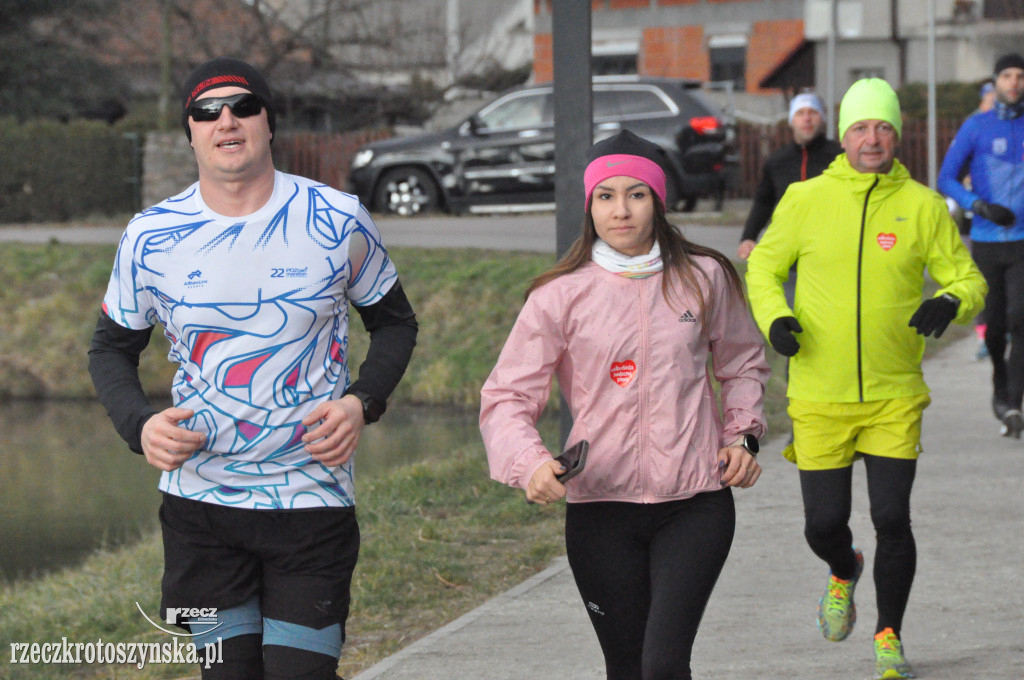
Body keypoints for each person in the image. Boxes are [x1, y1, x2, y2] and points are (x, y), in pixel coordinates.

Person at [88, 57, 418, 680]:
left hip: (310, 502)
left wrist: (361, 401)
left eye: (243, 106)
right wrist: (139, 426)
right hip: (199, 513)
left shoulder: (338, 219)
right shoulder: (150, 236)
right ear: (190, 131)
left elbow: (396, 323)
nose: (226, 121)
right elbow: (109, 349)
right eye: (207, 111)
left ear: (269, 122)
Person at [480, 129, 770, 680]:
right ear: (589, 205)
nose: (621, 209)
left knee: (662, 664)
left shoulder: (704, 277)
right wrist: (530, 463)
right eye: (606, 195)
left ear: (659, 202)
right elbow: (507, 397)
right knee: (626, 666)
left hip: (695, 502)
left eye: (636, 194)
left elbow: (743, 365)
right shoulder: (560, 294)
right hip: (600, 510)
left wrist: (742, 436)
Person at [746, 78, 986, 680]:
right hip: (819, 393)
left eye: (882, 127)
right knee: (822, 524)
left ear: (896, 135)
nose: (872, 138)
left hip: (893, 393)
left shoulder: (925, 207)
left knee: (891, 518)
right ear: (844, 135)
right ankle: (843, 568)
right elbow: (764, 270)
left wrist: (951, 302)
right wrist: (776, 319)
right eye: (860, 127)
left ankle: (888, 635)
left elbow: (970, 280)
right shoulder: (804, 199)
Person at [939, 53, 1024, 437]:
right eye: (1008, 75)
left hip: (1023, 240)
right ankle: (999, 382)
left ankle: (1013, 404)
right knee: (993, 327)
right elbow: (946, 178)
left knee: (1021, 320)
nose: (1015, 82)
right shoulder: (977, 127)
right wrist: (979, 207)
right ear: (996, 81)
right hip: (988, 240)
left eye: (1021, 76)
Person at [737, 92, 843, 261]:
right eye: (800, 113)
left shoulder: (839, 157)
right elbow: (763, 201)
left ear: (822, 118)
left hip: (829, 250)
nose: (807, 119)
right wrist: (748, 237)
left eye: (813, 112)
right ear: (792, 120)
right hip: (787, 252)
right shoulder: (777, 161)